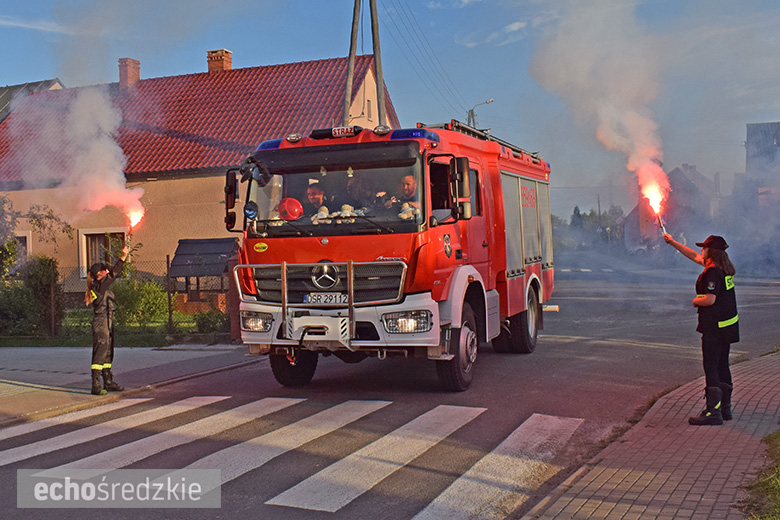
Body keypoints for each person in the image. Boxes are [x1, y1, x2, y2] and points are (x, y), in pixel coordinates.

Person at [664, 233, 739, 425]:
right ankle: (725, 410)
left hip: (714, 329)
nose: (700, 251)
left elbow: (710, 299)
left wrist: (695, 300)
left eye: (703, 248)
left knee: (711, 367)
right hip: (727, 328)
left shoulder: (712, 272)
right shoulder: (723, 268)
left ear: (710, 251)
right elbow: (694, 256)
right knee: (723, 365)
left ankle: (712, 413)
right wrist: (672, 242)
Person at [84, 244, 129, 395]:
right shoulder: (100, 285)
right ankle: (96, 384)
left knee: (108, 352)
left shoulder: (101, 286)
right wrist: (123, 257)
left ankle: (108, 381)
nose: (107, 270)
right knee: (101, 350)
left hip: (108, 321)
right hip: (101, 321)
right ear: (100, 274)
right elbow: (115, 273)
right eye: (105, 269)